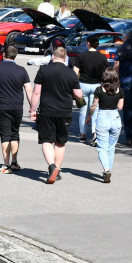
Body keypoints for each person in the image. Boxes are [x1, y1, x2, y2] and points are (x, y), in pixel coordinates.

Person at [30, 46, 84, 184]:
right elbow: (78, 94)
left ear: (52, 57)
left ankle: (51, 166)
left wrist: (32, 109)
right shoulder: (71, 73)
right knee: (60, 142)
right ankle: (57, 170)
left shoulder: (43, 70)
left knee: (47, 140)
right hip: (64, 111)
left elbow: (36, 92)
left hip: (47, 111)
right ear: (65, 58)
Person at [0, 49, 34, 174]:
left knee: (5, 135)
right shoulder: (22, 70)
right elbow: (29, 90)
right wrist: (32, 107)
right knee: (15, 133)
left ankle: (6, 165)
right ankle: (14, 162)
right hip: (17, 108)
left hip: (2, 107)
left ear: (4, 55)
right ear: (15, 56)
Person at [87, 67, 123, 183]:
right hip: (115, 118)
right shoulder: (119, 90)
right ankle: (108, 170)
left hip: (103, 118)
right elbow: (120, 107)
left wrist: (89, 117)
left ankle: (106, 169)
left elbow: (93, 106)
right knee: (111, 148)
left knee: (102, 147)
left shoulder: (99, 89)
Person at [73, 35, 107, 143]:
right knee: (95, 110)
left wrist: (74, 87)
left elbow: (75, 73)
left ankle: (83, 135)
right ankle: (95, 135)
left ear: (88, 43)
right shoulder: (102, 57)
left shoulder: (81, 56)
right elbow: (106, 73)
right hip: (97, 85)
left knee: (83, 110)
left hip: (83, 85)